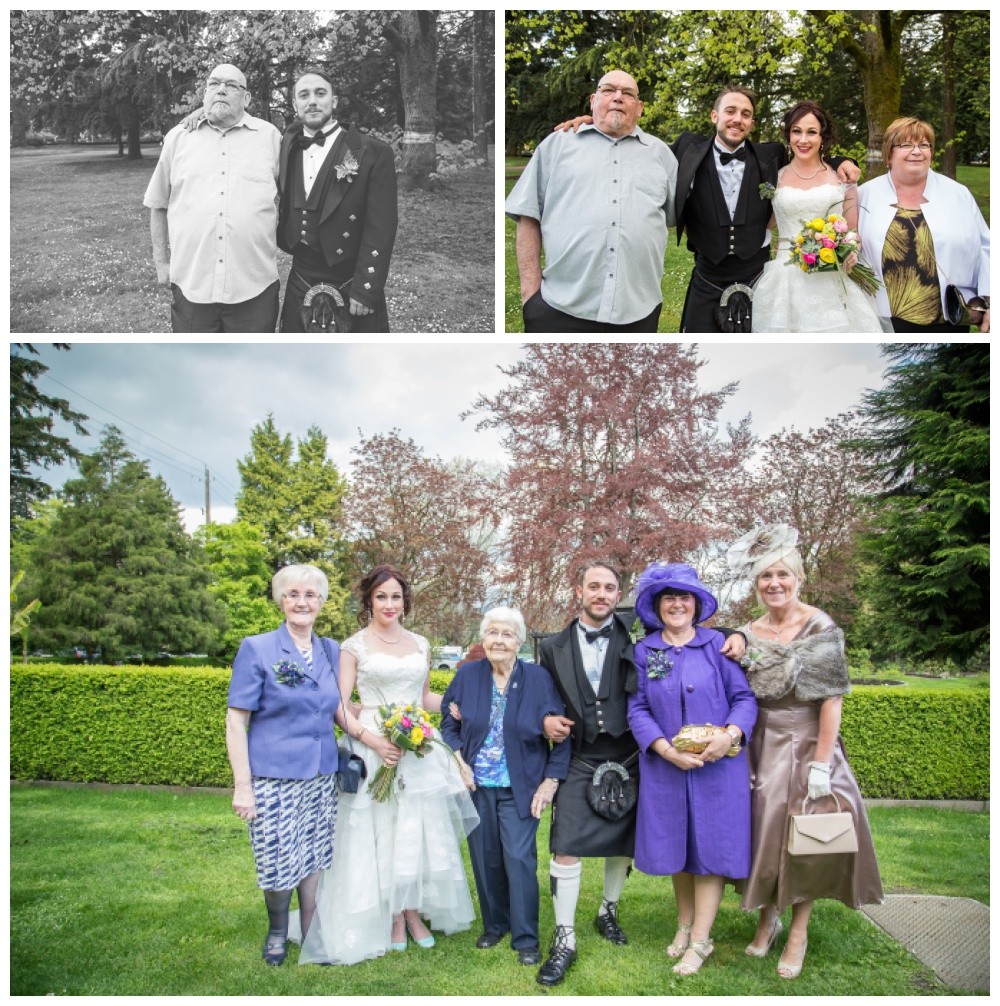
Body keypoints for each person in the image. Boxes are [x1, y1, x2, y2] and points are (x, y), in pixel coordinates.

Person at [534, 561, 746, 986]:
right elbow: (544, 695)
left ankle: (607, 913)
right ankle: (564, 937)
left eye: (610, 588)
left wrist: (741, 635)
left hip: (631, 754)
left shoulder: (640, 634)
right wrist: (545, 719)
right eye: (593, 586)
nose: (601, 594)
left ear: (620, 596)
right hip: (581, 754)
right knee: (566, 845)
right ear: (579, 591)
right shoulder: (551, 646)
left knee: (621, 843)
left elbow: (699, 631)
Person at [548, 84, 859, 332]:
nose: (738, 119)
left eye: (746, 114)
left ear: (751, 123)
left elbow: (806, 156)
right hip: (706, 276)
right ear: (714, 116)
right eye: (731, 111)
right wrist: (598, 122)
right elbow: (636, 149)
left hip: (758, 276)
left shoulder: (771, 155)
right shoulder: (685, 148)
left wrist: (840, 161)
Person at [294, 564, 478, 964]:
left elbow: (425, 697)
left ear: (405, 601)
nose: (389, 604)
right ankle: (394, 916)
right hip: (373, 743)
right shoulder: (353, 646)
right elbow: (340, 705)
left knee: (416, 829)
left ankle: (413, 911)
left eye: (396, 596)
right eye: (381, 597)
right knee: (382, 829)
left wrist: (456, 708)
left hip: (415, 745)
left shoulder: (421, 643)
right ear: (369, 601)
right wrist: (372, 739)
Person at [726, 525, 883, 980]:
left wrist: (821, 763)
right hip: (759, 744)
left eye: (782, 575)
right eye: (765, 578)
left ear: (797, 578)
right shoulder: (750, 631)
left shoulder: (819, 626)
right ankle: (766, 917)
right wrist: (736, 634)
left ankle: (798, 932)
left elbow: (831, 700)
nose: (774, 584)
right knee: (764, 836)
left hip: (805, 745)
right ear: (756, 585)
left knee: (805, 840)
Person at [226, 564, 361, 966]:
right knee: (276, 858)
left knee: (313, 855)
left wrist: (381, 730)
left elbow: (339, 707)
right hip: (273, 777)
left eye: (310, 595)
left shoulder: (329, 650)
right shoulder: (258, 648)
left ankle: (311, 930)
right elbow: (236, 720)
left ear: (321, 602)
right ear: (281, 600)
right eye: (293, 594)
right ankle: (277, 931)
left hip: (320, 775)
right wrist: (242, 785)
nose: (302, 602)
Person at [628, 562, 757, 977]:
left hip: (718, 769)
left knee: (711, 852)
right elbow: (638, 708)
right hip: (667, 769)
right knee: (678, 851)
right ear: (658, 605)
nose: (678, 603)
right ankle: (684, 925)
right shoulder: (646, 651)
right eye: (670, 597)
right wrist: (665, 750)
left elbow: (745, 699)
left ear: (697, 603)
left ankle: (701, 939)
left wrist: (730, 735)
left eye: (685, 597)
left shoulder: (718, 646)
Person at [440, 607, 571, 966]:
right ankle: (495, 925)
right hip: (476, 785)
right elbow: (447, 724)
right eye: (492, 632)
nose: (499, 640)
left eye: (507, 634)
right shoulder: (467, 676)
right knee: (485, 860)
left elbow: (562, 735)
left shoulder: (538, 679)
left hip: (522, 786)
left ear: (519, 641)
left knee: (518, 859)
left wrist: (550, 781)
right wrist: (459, 761)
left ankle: (526, 936)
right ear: (483, 639)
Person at [504, 70, 677, 333]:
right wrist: (530, 294)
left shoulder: (662, 155)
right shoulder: (557, 145)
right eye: (609, 90)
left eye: (628, 93)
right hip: (559, 308)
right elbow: (527, 215)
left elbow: (679, 216)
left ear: (640, 108)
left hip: (638, 311)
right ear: (593, 100)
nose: (618, 97)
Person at [144, 64, 282, 333]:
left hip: (255, 287)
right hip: (192, 286)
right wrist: (161, 263)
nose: (221, 89)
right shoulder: (178, 138)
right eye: (213, 84)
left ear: (247, 98)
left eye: (232, 85)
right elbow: (157, 204)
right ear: (204, 92)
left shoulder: (270, 138)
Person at [277, 68, 398, 333]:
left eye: (320, 94)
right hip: (300, 276)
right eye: (304, 95)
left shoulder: (372, 152)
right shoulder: (285, 144)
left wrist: (366, 290)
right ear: (295, 104)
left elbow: (381, 227)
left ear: (334, 101)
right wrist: (202, 113)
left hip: (349, 278)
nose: (312, 101)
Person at [751, 101, 882, 333]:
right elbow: (765, 224)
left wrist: (850, 250)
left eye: (812, 132)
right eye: (796, 131)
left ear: (823, 137)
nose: (803, 140)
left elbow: (852, 230)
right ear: (788, 134)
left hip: (831, 276)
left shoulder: (841, 177)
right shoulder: (775, 178)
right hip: (784, 277)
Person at [858, 116, 990, 333]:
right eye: (906, 145)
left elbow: (987, 248)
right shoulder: (865, 195)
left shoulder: (957, 194)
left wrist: (990, 299)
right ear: (889, 154)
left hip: (950, 318)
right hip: (883, 320)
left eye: (924, 145)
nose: (917, 151)